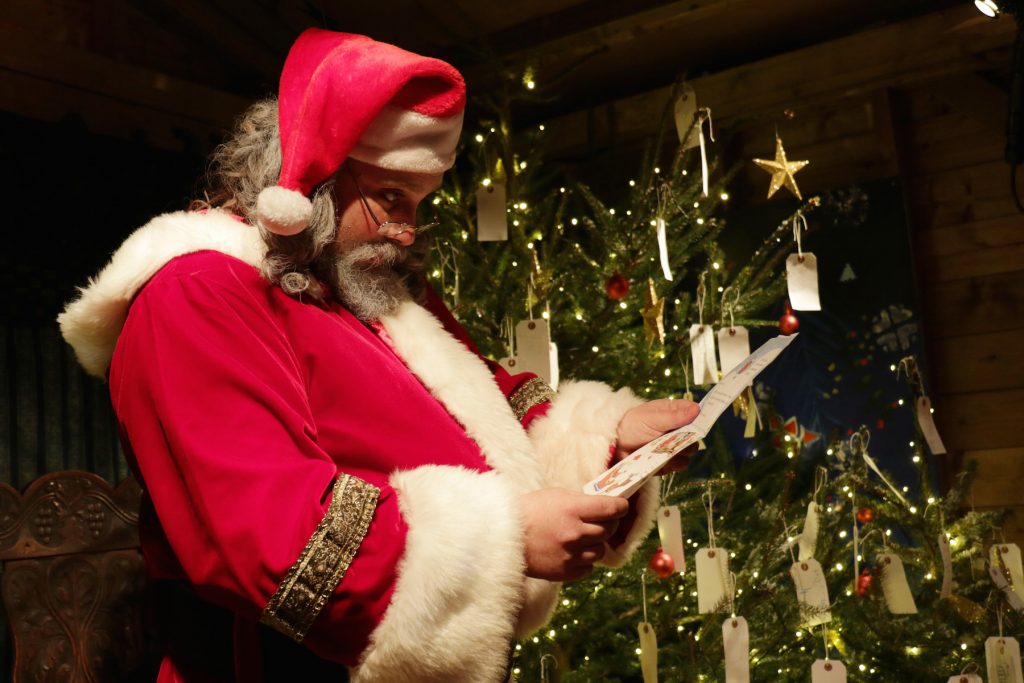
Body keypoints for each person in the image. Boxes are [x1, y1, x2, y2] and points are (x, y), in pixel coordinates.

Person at [58, 29, 699, 682]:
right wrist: (504, 534)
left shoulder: (364, 285)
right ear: (311, 176)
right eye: (390, 197)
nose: (407, 231)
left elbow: (490, 407)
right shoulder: (197, 293)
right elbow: (269, 538)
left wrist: (613, 441)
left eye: (419, 204)